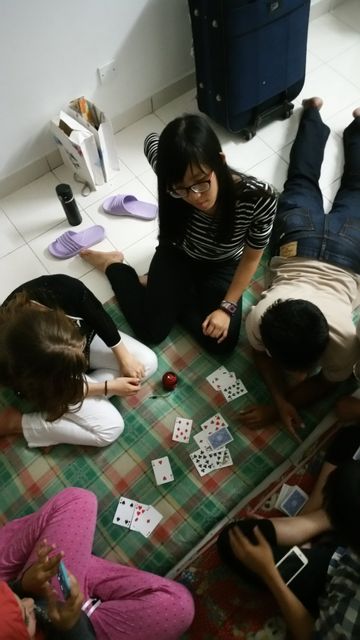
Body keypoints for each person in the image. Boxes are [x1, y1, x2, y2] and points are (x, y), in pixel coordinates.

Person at [81, 113, 277, 354]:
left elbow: (251, 257)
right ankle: (114, 265)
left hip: (222, 264)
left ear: (220, 161)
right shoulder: (173, 180)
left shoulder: (258, 197)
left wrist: (226, 308)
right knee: (152, 332)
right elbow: (150, 141)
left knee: (222, 344)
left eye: (200, 182)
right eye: (182, 189)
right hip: (178, 255)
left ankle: (171, 293)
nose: (194, 196)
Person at [242, 98, 360, 435]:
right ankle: (322, 113)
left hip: (340, 250)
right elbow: (325, 382)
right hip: (314, 243)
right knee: (306, 181)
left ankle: (314, 112)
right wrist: (281, 402)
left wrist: (276, 402)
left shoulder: (260, 316)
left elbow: (323, 383)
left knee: (321, 183)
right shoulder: (346, 343)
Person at [0, 487, 194, 639]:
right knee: (179, 606)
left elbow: (22, 600)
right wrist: (71, 626)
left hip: (43, 597)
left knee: (79, 500)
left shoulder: (24, 602)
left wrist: (23, 586)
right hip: (74, 627)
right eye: (24, 618)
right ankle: (77, 570)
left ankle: (74, 567)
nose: (29, 603)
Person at [0, 274, 157, 448]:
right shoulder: (14, 364)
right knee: (110, 428)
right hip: (51, 384)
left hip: (60, 368)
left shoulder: (63, 288)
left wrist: (124, 357)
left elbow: (98, 315)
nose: (83, 360)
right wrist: (107, 387)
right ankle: (18, 423)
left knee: (147, 362)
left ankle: (64, 415)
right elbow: (56, 390)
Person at [217, 459, 360, 640]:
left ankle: (327, 519)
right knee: (351, 439)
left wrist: (269, 572)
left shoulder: (347, 621)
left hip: (333, 593)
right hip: (343, 556)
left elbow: (310, 635)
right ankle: (325, 519)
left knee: (233, 541)